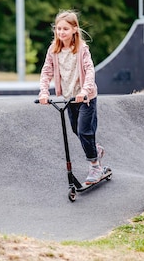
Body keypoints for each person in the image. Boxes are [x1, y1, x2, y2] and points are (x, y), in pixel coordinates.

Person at [37, 9, 107, 185]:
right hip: (69, 98)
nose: (61, 32)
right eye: (58, 29)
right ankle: (95, 150)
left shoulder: (82, 49)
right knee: (77, 130)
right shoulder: (53, 50)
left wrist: (84, 91)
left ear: (74, 29)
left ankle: (95, 165)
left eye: (65, 29)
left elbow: (90, 70)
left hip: (85, 97)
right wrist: (44, 91)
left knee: (85, 131)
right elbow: (47, 71)